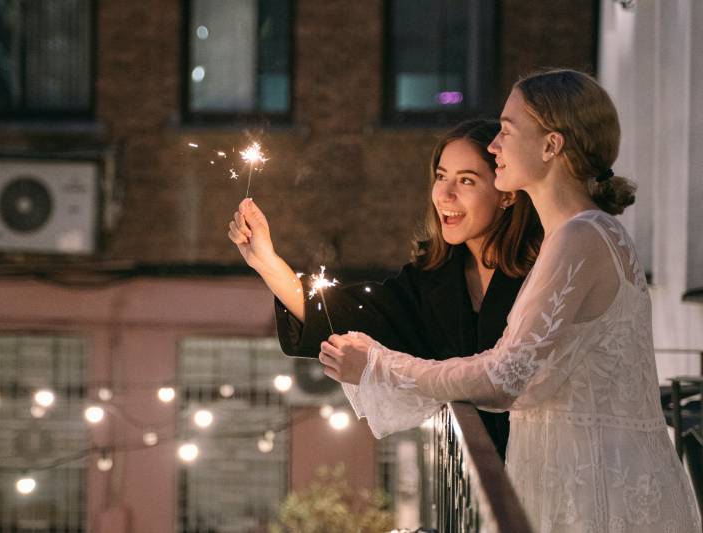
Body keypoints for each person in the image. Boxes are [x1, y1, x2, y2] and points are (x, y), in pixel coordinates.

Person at [319, 69, 701, 532]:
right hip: (570, 488)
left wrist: (381, 367)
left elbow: (503, 377)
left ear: (551, 146)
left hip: (600, 499)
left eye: (506, 130)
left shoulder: (581, 237)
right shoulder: (574, 234)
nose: (495, 145)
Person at [227, 119, 543, 458]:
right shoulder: (434, 278)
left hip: (542, 460)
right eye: (441, 176)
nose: (445, 194)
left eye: (466, 180)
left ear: (507, 193)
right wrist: (265, 260)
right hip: (486, 485)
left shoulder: (542, 270)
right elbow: (348, 313)